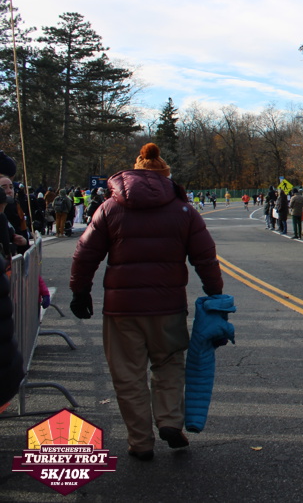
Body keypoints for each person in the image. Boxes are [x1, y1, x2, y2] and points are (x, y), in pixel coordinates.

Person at [69, 143, 223, 461]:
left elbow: (85, 253)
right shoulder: (183, 210)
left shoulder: (110, 208)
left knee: (128, 375)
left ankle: (140, 441)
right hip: (168, 306)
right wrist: (215, 293)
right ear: (165, 176)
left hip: (121, 309)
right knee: (169, 365)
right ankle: (169, 421)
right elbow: (205, 257)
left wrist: (80, 291)